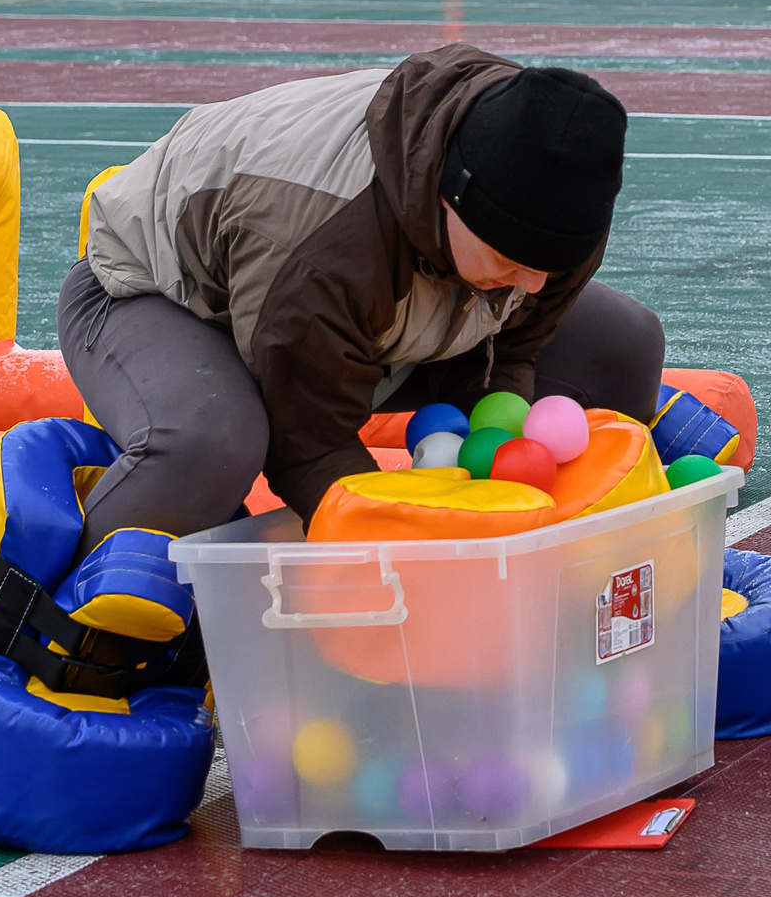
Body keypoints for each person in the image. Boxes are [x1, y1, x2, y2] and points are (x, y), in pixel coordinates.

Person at [60, 47, 665, 550]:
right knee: (211, 441)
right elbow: (311, 443)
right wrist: (416, 565)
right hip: (155, 294)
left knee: (620, 342)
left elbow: (513, 347)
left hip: (373, 305)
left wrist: (501, 447)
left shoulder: (557, 185)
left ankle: (587, 564)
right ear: (450, 201)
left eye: (549, 268)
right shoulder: (325, 247)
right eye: (512, 263)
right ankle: (68, 614)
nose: (532, 286)